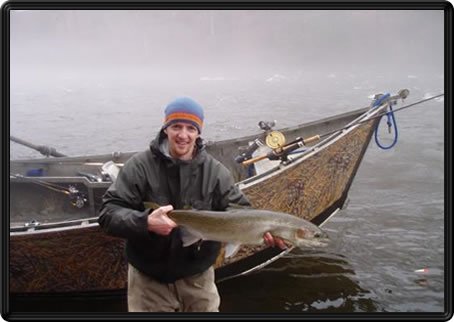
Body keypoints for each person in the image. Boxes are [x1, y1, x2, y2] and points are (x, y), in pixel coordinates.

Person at [98, 97, 286, 312]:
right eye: (176, 126)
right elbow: (108, 214)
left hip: (199, 278)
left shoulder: (216, 172)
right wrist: (146, 222)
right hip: (148, 281)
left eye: (191, 128)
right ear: (166, 128)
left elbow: (241, 212)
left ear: (198, 133)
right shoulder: (139, 167)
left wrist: (264, 231)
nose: (183, 135)